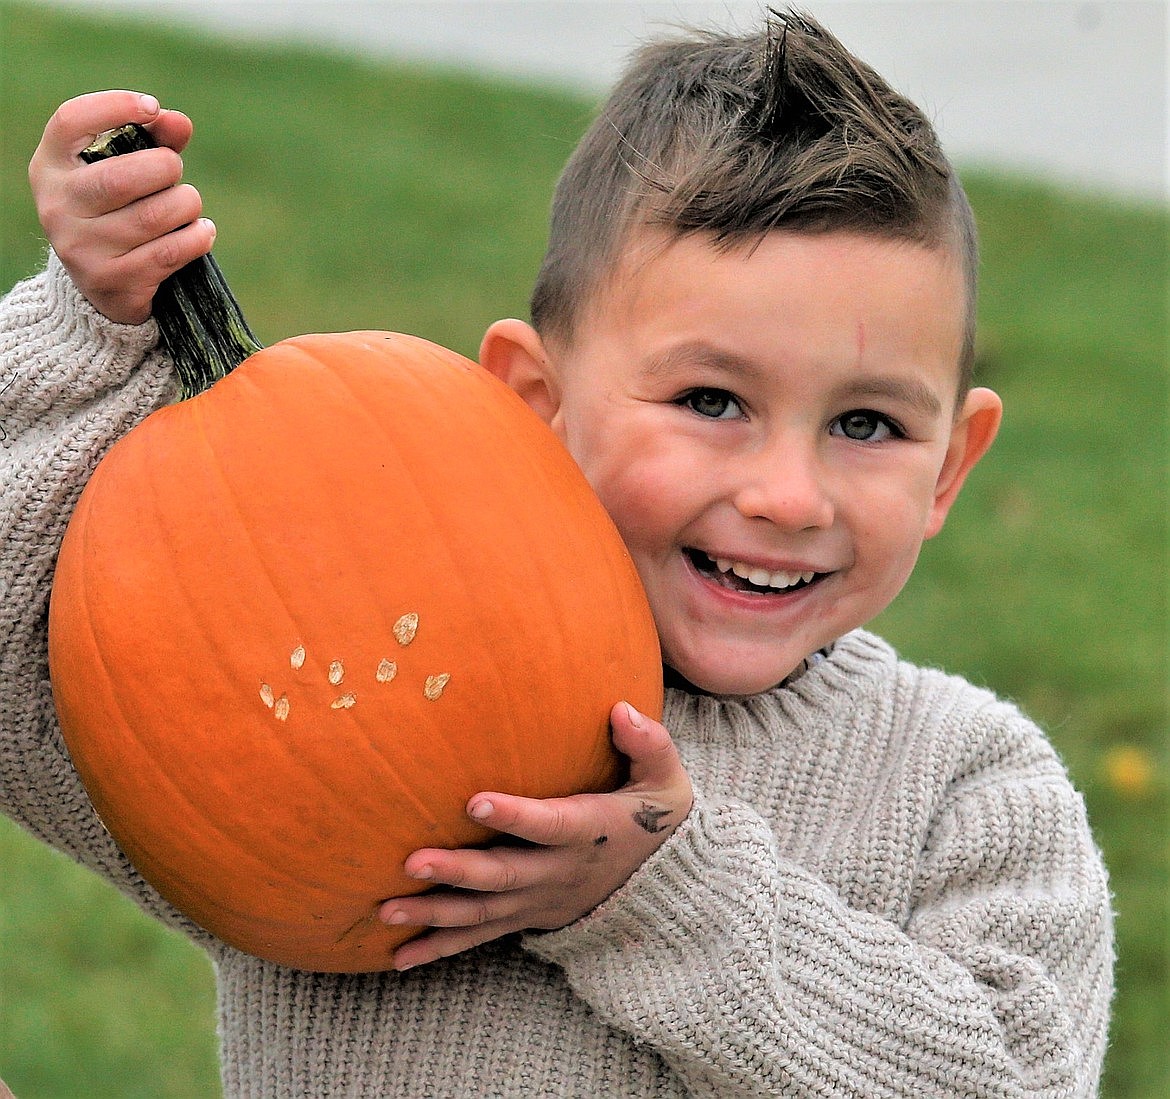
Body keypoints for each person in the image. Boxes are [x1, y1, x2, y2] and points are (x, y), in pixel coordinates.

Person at [0, 11, 1113, 1096]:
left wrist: (668, 898)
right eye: (712, 399)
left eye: (866, 424)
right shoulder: (361, 679)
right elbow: (31, 699)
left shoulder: (964, 785)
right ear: (534, 399)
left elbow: (1015, 1078)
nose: (786, 495)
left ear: (952, 465)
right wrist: (90, 333)